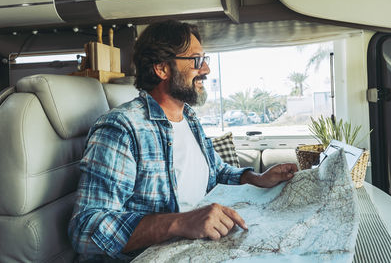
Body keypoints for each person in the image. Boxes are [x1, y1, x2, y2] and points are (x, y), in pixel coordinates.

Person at [68, 20, 298, 261]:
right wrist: (179, 223)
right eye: (196, 60)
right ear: (162, 69)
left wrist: (256, 178)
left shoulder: (188, 117)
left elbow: (216, 171)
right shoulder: (121, 128)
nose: (206, 69)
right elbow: (85, 230)